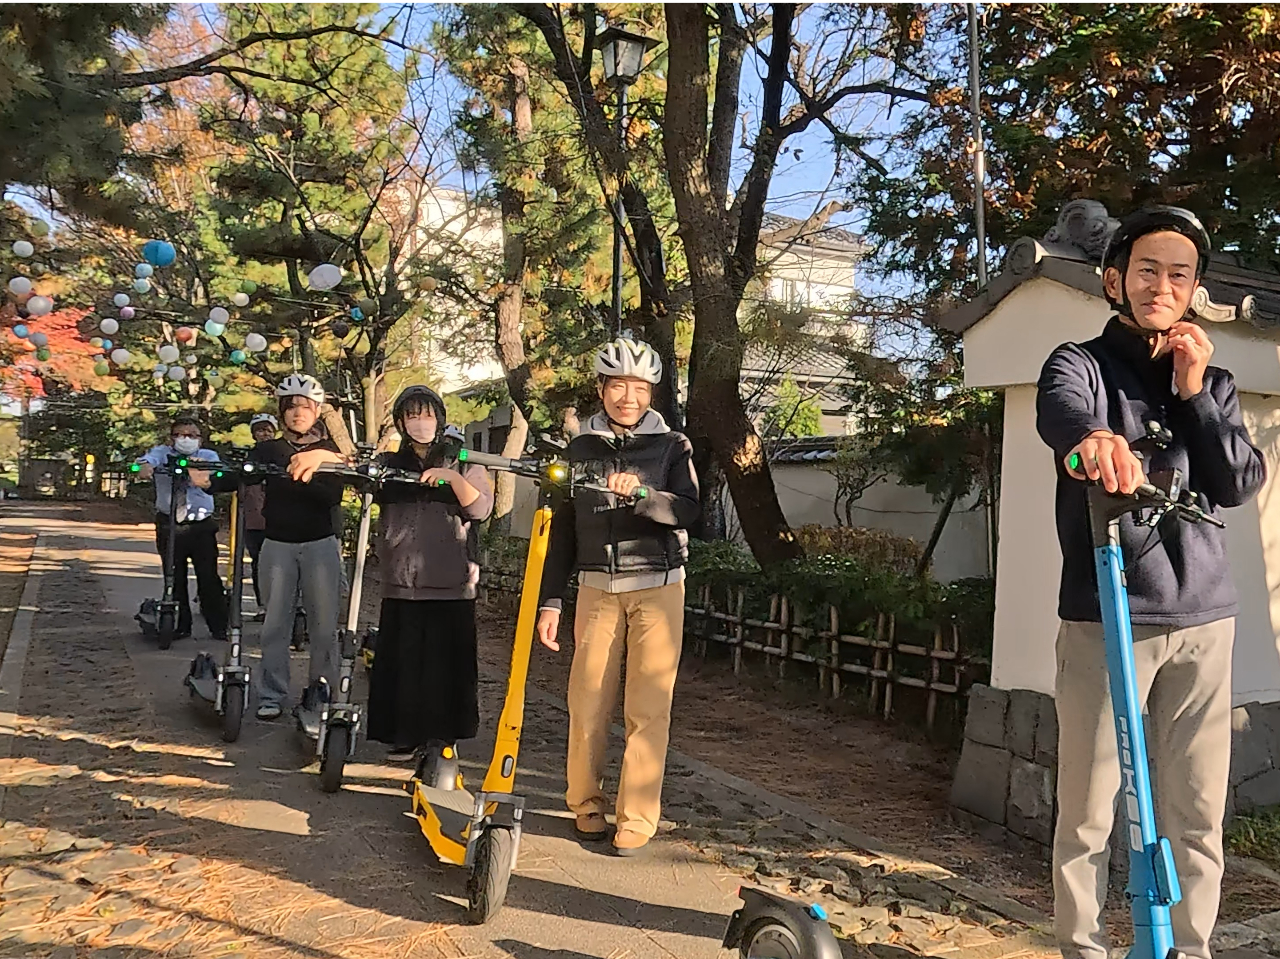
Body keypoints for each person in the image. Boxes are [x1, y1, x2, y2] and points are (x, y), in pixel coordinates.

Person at [1035, 206, 1266, 959]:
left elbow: (1237, 482)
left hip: (1204, 619)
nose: (1162, 286)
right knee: (1089, 812)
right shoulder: (1081, 364)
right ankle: (1083, 948)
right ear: (1115, 281)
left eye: (1179, 274)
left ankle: (1187, 949)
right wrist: (1093, 440)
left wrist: (1195, 393)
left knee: (1197, 812)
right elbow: (1062, 414)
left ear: (1194, 289)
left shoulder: (1215, 382)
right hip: (1107, 616)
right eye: (1146, 270)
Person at [535, 336, 700, 857]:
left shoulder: (672, 446)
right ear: (601, 388)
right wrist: (551, 600)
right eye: (618, 386)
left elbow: (690, 510)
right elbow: (562, 530)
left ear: (652, 392)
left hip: (658, 585)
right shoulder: (579, 449)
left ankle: (637, 815)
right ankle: (585, 803)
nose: (629, 398)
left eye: (639, 388)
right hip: (596, 588)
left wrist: (646, 496)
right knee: (587, 700)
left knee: (648, 707)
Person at [366, 386, 493, 762]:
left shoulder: (464, 459)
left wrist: (452, 479)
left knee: (446, 663)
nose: (419, 423)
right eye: (411, 416)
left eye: (426, 415)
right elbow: (362, 483)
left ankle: (444, 735)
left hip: (450, 581)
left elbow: (481, 509)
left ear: (439, 418)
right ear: (401, 423)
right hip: (401, 581)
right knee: (403, 663)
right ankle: (403, 735)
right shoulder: (390, 462)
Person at [248, 374, 349, 721]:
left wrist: (299, 476)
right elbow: (242, 473)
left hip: (320, 544)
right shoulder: (269, 449)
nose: (297, 413)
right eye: (290, 407)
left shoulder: (331, 452)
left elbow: (332, 495)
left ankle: (320, 691)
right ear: (281, 412)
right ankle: (272, 693)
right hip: (277, 544)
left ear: (317, 411)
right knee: (275, 624)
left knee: (324, 627)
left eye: (305, 407)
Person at [135, 414, 228, 643]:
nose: (186, 439)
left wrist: (204, 473)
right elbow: (145, 462)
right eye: (180, 435)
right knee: (174, 576)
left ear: (200, 439)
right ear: (171, 439)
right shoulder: (162, 453)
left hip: (201, 526)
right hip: (170, 524)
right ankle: (179, 625)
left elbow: (218, 472)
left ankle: (218, 626)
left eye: (192, 435)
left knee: (208, 576)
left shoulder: (208, 455)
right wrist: (144, 467)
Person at [241, 413, 278, 621]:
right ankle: (263, 605)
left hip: (279, 519)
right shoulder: (249, 457)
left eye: (269, 430)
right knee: (259, 564)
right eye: (260, 430)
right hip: (254, 520)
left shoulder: (282, 455)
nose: (265, 434)